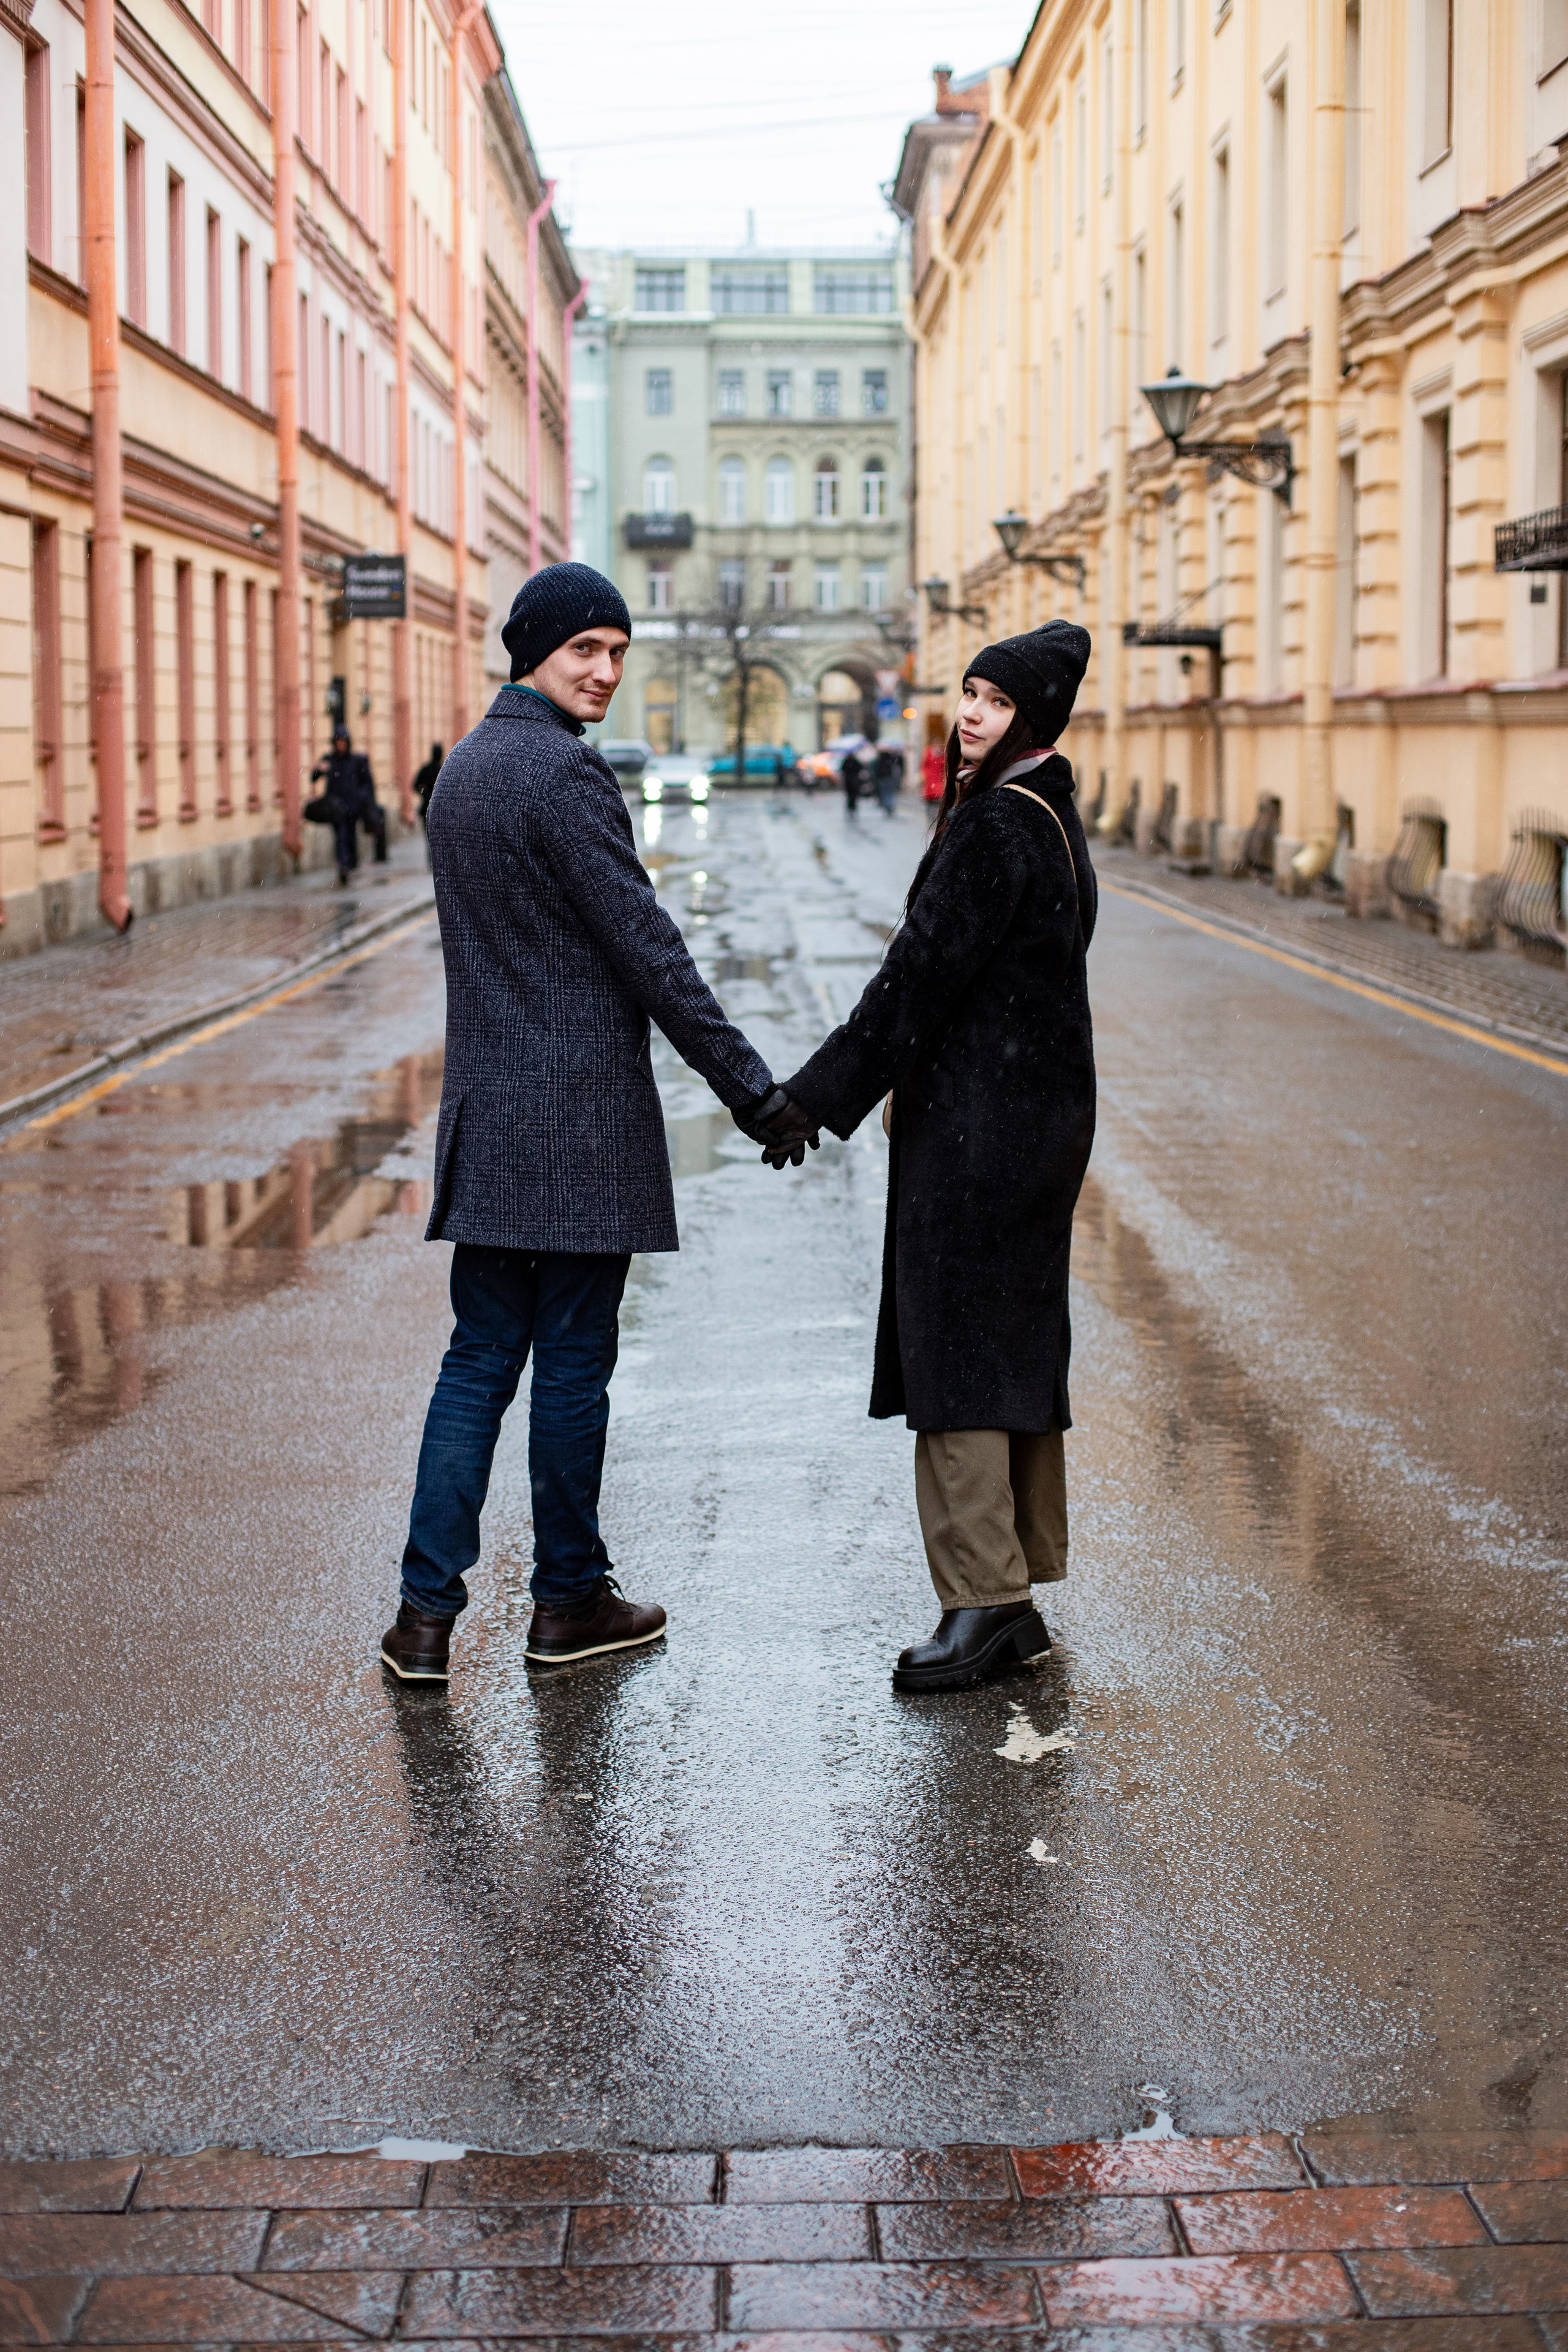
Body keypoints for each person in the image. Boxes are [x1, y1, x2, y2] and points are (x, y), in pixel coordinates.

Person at [381, 562, 811, 1684]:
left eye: (619, 652)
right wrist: (751, 1089)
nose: (607, 671)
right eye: (587, 650)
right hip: (577, 1129)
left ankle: (423, 1621)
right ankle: (568, 1600)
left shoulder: (462, 773)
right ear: (534, 650)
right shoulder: (564, 777)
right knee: (571, 1369)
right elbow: (648, 948)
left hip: (489, 1116)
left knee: (478, 1362)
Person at [773, 621, 1096, 1694]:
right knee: (1010, 1340)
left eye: (995, 704)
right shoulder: (1049, 807)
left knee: (958, 1349)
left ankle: (983, 1602)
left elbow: (917, 979)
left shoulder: (999, 821)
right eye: (968, 692)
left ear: (1032, 722)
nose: (969, 714)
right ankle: (1016, 1589)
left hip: (983, 1129)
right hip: (1035, 1119)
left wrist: (811, 1100)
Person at [307, 727, 386, 884]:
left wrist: (364, 802)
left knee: (349, 836)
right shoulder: (330, 760)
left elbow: (367, 784)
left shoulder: (356, 761)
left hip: (353, 807)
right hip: (336, 808)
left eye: (343, 742)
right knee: (341, 837)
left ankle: (349, 863)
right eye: (338, 742)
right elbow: (314, 777)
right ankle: (344, 865)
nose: (341, 745)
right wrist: (319, 770)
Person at [412, 742, 443, 866]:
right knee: (438, 836)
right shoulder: (443, 769)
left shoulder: (426, 769)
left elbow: (416, 786)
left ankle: (432, 859)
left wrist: (424, 793)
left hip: (427, 808)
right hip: (439, 809)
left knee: (429, 836)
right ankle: (436, 859)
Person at [873, 741, 903, 817]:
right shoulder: (891, 760)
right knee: (890, 793)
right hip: (889, 778)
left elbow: (876, 770)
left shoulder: (879, 760)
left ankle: (888, 806)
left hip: (883, 779)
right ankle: (890, 806)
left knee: (885, 793)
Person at [840, 743, 865, 818]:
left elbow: (843, 770)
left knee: (850, 796)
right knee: (853, 796)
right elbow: (861, 768)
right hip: (854, 781)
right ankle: (853, 809)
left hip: (849, 781)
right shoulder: (855, 761)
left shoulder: (846, 762)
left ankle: (850, 809)